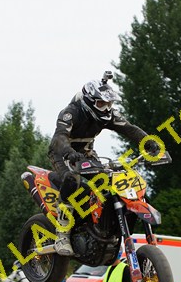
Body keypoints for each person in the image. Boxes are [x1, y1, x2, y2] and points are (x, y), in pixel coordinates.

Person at [48, 71, 159, 256]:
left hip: (86, 153)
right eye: (101, 103)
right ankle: (62, 232)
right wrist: (69, 153)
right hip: (63, 152)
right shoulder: (71, 113)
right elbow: (59, 137)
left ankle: (98, 224)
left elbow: (130, 129)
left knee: (107, 181)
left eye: (109, 103)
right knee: (72, 179)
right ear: (89, 102)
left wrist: (150, 143)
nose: (106, 108)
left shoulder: (108, 114)